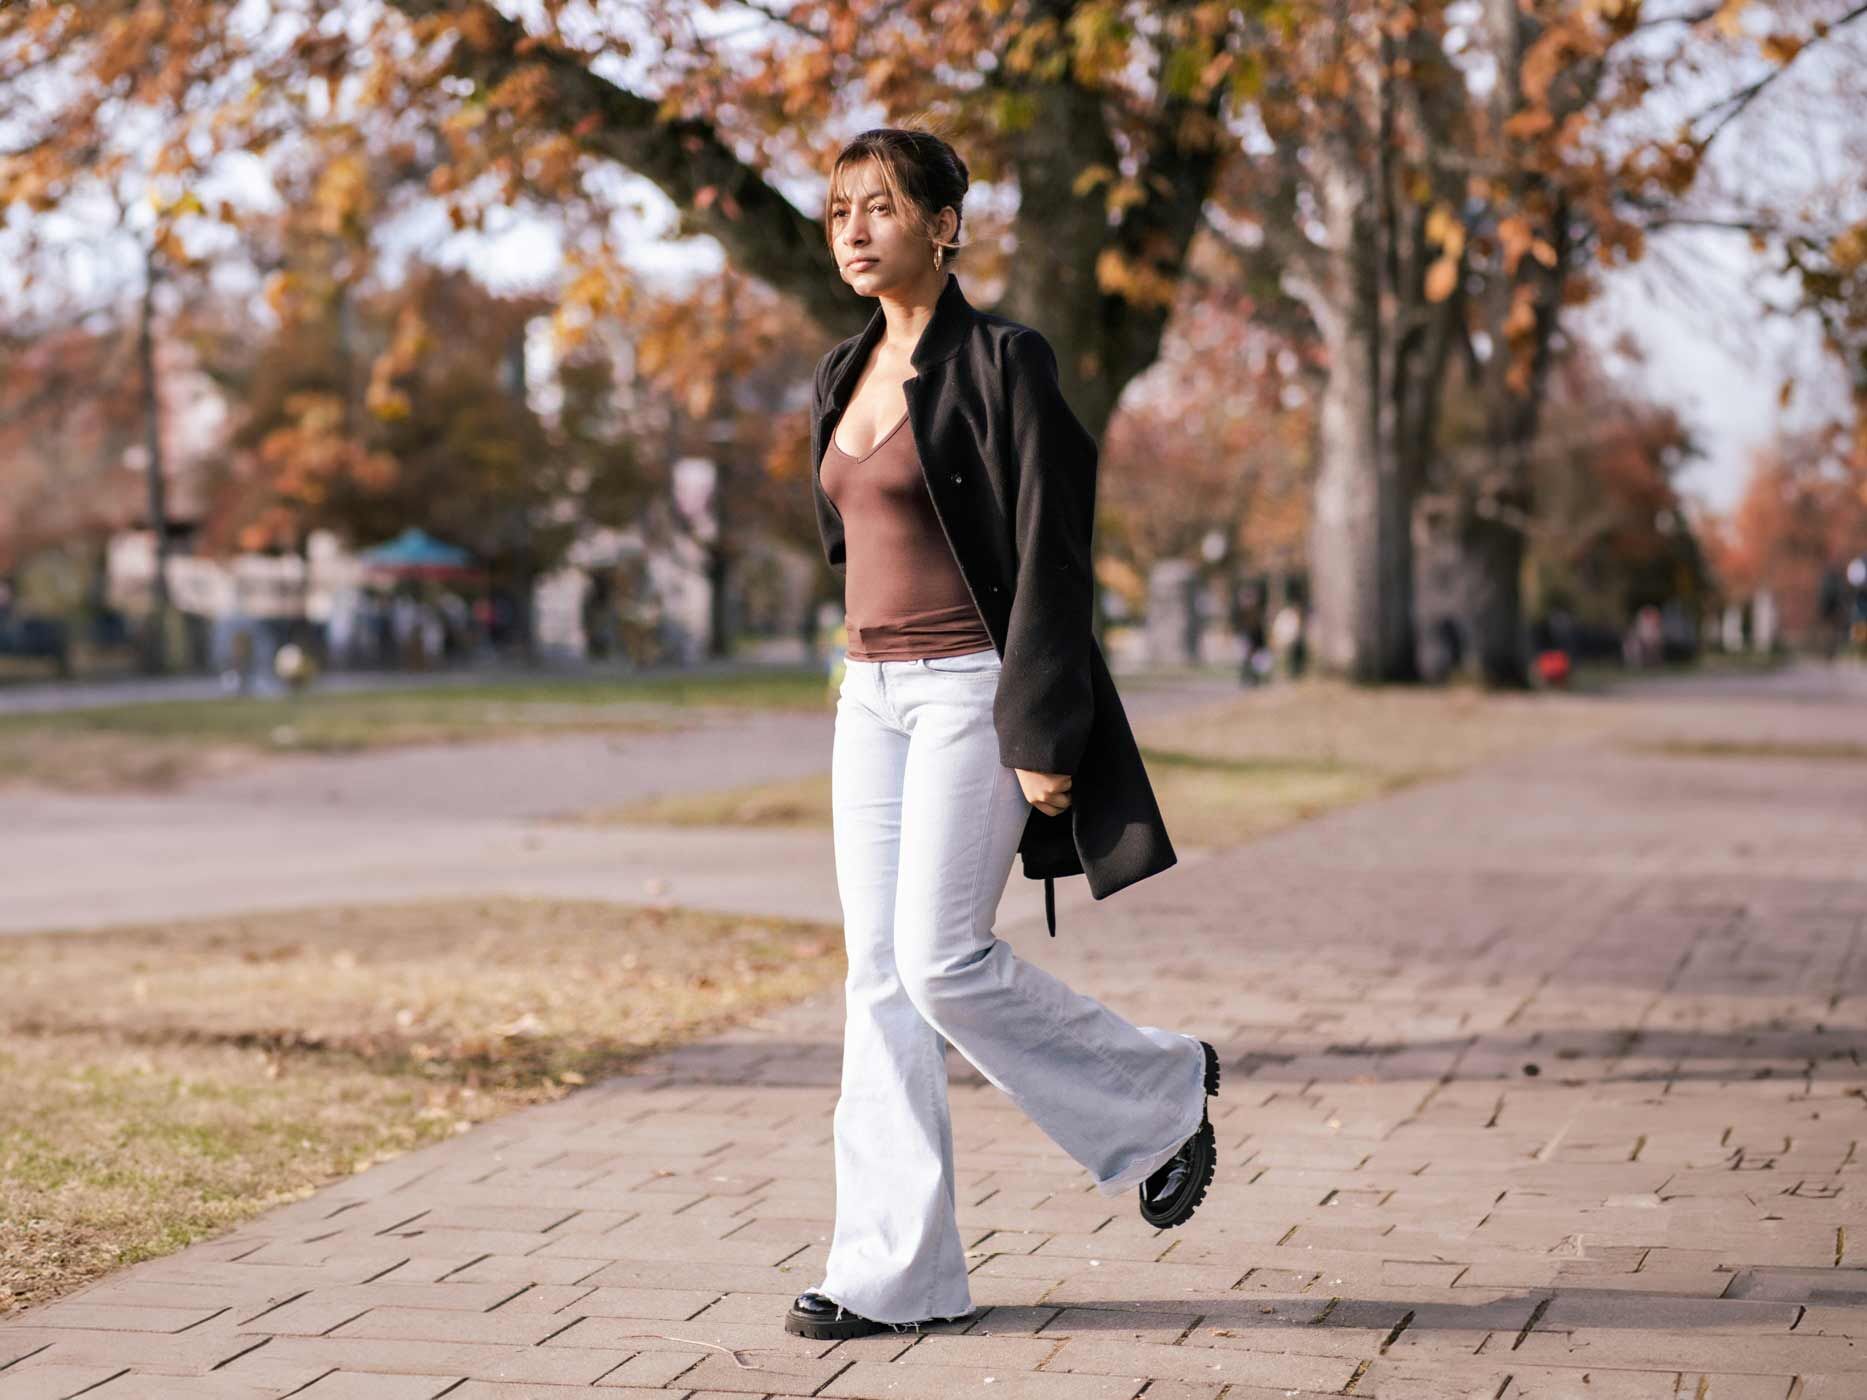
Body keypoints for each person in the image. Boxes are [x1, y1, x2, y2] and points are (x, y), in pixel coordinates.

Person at [788, 126, 1221, 1343]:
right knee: (876, 980)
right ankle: (893, 1271)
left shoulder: (1004, 362)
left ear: (944, 223)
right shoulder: (839, 371)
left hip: (969, 690)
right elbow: (846, 533)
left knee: (936, 961)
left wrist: (1044, 725)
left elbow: (1051, 555)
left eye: (880, 207)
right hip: (865, 697)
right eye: (838, 212)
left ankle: (1158, 1088)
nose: (856, 229)